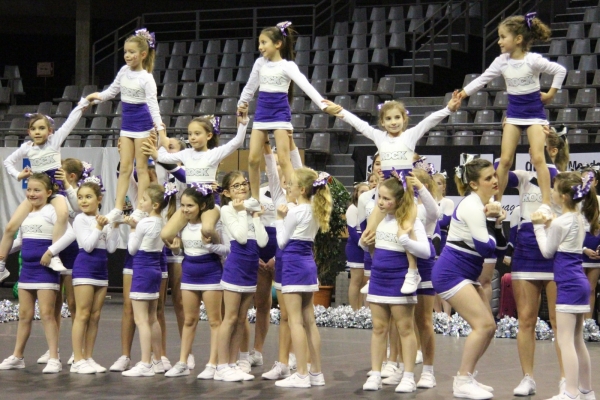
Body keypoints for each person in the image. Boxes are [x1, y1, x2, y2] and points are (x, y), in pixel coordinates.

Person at [326, 93, 461, 294]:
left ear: (404, 120)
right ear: (382, 122)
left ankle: (412, 272)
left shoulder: (410, 136)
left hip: (406, 191)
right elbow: (359, 124)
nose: (393, 122)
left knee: (407, 229)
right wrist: (339, 111)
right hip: (389, 189)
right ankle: (374, 272)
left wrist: (449, 108)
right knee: (368, 233)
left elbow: (430, 121)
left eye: (397, 118)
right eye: (388, 119)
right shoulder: (380, 138)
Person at [458, 13, 566, 218]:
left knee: (537, 157)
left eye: (502, 37)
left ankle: (545, 203)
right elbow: (482, 79)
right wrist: (462, 94)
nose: (499, 41)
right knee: (505, 160)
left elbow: (560, 70)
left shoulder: (533, 60)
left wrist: (551, 94)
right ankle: (497, 203)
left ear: (518, 39)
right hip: (514, 114)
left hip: (534, 114)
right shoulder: (502, 61)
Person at [236, 21, 340, 214]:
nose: (260, 47)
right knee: (251, 159)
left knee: (284, 160)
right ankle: (255, 198)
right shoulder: (259, 63)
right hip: (262, 113)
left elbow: (306, 86)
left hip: (280, 114)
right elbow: (250, 87)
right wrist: (241, 104)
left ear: (278, 44)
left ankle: (295, 198)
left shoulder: (287, 66)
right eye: (259, 43)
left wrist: (323, 105)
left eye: (264, 42)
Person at [431, 155, 507, 400]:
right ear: (474, 184)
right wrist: (493, 224)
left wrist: (496, 224)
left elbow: (502, 247)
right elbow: (487, 249)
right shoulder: (472, 205)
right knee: (482, 325)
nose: (495, 180)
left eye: (494, 175)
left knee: (490, 327)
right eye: (488, 178)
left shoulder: (485, 204)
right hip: (450, 273)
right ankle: (462, 380)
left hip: (466, 273)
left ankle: (468, 376)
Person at [507, 129, 569, 396]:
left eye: (538, 146)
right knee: (526, 319)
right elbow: (501, 166)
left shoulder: (565, 180)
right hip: (526, 250)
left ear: (551, 151)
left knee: (559, 321)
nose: (532, 151)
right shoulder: (524, 178)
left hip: (556, 249)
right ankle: (528, 378)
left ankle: (567, 378)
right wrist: (511, 132)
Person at [1, 102, 90, 278]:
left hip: (55, 191)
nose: (37, 132)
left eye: (42, 128)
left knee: (63, 215)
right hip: (37, 192)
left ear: (50, 131)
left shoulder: (54, 142)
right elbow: (7, 162)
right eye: (33, 129)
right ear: (29, 132)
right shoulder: (27, 147)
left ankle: (54, 254)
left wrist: (83, 104)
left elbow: (70, 122)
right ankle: (2, 266)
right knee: (11, 226)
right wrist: (18, 175)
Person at [361, 174, 431, 393]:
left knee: (405, 328)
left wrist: (405, 239)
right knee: (379, 328)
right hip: (379, 279)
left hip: (400, 280)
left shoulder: (410, 221)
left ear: (399, 200)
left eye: (386, 199)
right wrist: (364, 243)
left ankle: (408, 376)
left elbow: (426, 251)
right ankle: (375, 373)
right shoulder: (379, 219)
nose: (380, 202)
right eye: (379, 198)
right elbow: (371, 246)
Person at [0, 173, 76, 374]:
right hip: (27, 271)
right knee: (24, 315)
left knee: (47, 315)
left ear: (49, 193)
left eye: (37, 190)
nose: (32, 194)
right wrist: (4, 252)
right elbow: (20, 241)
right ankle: (18, 356)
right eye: (29, 190)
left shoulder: (52, 211)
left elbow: (70, 233)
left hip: (45, 271)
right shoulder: (26, 214)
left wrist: (51, 252)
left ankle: (54, 357)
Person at [85, 28, 163, 224]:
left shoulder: (146, 78)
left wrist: (160, 129)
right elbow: (111, 91)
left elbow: (153, 106)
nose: (127, 55)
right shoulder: (123, 71)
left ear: (143, 54)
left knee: (142, 168)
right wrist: (96, 98)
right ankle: (119, 207)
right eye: (125, 52)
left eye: (132, 52)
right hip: (127, 124)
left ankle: (140, 208)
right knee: (125, 167)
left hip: (143, 124)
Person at [531, 171, 597, 400]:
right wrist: (549, 223)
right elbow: (562, 230)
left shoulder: (561, 222)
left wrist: (538, 226)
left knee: (565, 340)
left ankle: (570, 392)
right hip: (579, 282)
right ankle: (587, 391)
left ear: (564, 197)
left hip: (569, 283)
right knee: (577, 340)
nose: (551, 192)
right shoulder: (578, 218)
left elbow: (547, 251)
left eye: (554, 189)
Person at [243, 138, 304, 373]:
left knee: (290, 310)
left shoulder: (296, 196)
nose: (277, 168)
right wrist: (266, 144)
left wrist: (276, 258)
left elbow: (295, 231)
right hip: (260, 251)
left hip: (283, 252)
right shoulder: (264, 191)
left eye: (282, 165)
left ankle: (290, 356)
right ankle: (256, 352)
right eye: (275, 165)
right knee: (261, 304)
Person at [273, 168, 332, 388]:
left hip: (293, 266)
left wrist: (279, 218)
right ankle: (316, 373)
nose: (288, 186)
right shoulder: (315, 210)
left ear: (302, 189)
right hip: (308, 266)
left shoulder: (295, 213)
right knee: (309, 321)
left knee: (295, 321)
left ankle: (301, 373)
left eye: (292, 184)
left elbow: (281, 242)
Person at [163, 184, 229, 378]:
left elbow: (226, 250)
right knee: (189, 320)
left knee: (215, 321)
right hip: (189, 273)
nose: (185, 209)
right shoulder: (183, 226)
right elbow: (182, 251)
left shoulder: (212, 226)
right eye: (183, 205)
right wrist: (175, 250)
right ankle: (183, 362)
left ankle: (212, 364)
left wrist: (212, 243)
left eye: (190, 205)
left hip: (211, 273)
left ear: (201, 206)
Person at [147, 116, 247, 245]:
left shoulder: (214, 154)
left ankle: (220, 250)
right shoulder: (186, 153)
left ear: (209, 135)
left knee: (207, 229)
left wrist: (243, 124)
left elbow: (237, 142)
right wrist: (159, 144)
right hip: (190, 201)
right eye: (190, 134)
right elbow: (163, 158)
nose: (192, 137)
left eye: (197, 133)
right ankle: (188, 248)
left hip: (209, 201)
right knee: (166, 234)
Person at [36, 158, 92, 366]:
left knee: (74, 303)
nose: (55, 177)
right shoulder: (56, 194)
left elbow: (77, 209)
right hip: (54, 247)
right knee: (54, 302)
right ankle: (54, 350)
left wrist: (68, 187)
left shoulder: (79, 193)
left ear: (72, 176)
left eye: (60, 174)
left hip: (72, 250)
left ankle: (80, 349)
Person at [214, 171, 268, 382]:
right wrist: (243, 212)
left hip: (250, 271)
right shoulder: (228, 210)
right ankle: (221, 365)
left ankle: (233, 362)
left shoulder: (248, 209)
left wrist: (254, 215)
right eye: (236, 186)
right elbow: (241, 237)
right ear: (227, 192)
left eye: (244, 183)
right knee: (230, 318)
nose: (242, 187)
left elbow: (262, 242)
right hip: (236, 269)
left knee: (241, 318)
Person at [121, 184, 176, 377]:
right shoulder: (163, 223)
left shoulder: (144, 223)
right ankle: (158, 361)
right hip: (155, 270)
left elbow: (132, 250)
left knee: (141, 319)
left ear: (154, 204)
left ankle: (145, 362)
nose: (140, 202)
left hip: (143, 269)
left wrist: (133, 229)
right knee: (152, 318)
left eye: (143, 200)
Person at [69, 177, 119, 374]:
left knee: (95, 316)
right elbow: (88, 246)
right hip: (84, 268)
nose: (83, 201)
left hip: (101, 270)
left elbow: (112, 248)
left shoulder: (103, 220)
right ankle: (77, 359)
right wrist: (99, 227)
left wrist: (114, 226)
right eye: (80, 197)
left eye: (88, 197)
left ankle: (88, 357)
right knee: (82, 314)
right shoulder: (81, 219)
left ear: (99, 199)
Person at [260, 141, 301, 380]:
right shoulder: (277, 196)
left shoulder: (306, 198)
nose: (283, 178)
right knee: (285, 314)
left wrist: (290, 139)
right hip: (283, 260)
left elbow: (294, 163)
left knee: (302, 317)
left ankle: (305, 365)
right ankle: (284, 362)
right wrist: (265, 144)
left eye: (289, 176)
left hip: (300, 260)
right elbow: (272, 172)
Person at [580, 165, 600, 321]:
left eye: (590, 179)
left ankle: (588, 324)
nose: (587, 182)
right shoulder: (575, 202)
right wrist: (583, 249)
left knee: (591, 289)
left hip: (596, 249)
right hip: (579, 248)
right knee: (580, 288)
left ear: (596, 183)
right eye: (584, 179)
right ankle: (577, 324)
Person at [347, 182, 370, 310]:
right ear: (356, 193)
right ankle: (354, 309)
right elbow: (352, 231)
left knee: (363, 281)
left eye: (367, 192)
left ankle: (360, 309)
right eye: (362, 191)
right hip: (356, 247)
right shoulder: (352, 208)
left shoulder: (369, 209)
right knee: (356, 280)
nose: (364, 194)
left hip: (366, 246)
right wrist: (363, 244)